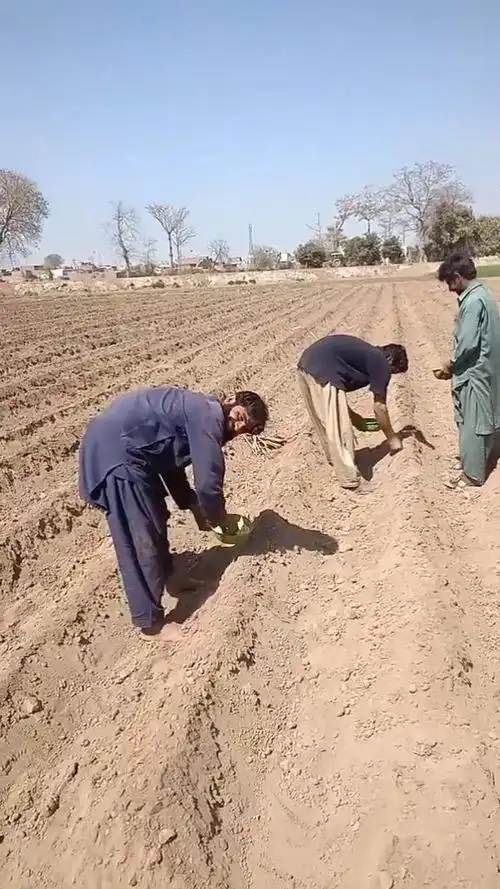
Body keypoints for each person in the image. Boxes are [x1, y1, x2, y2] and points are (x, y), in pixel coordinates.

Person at [78, 386, 268, 640]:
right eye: (239, 416)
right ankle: (150, 624)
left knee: (155, 517)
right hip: (115, 453)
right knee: (140, 535)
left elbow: (168, 459)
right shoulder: (208, 415)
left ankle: (172, 580)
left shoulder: (198, 413)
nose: (236, 426)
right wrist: (217, 519)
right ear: (231, 401)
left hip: (132, 451)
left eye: (243, 429)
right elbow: (208, 483)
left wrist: (191, 504)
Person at [297, 334, 408, 490]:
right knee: (341, 430)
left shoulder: (368, 354)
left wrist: (356, 419)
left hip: (306, 365)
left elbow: (335, 396)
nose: (389, 376)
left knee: (326, 422)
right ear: (390, 361)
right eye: (393, 371)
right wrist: (392, 438)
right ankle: (350, 481)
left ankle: (334, 459)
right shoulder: (381, 362)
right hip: (323, 368)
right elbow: (380, 408)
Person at [434, 250, 500, 489]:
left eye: (450, 283)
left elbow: (468, 344)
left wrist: (449, 365)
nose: (450, 288)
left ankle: (472, 474)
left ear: (458, 277)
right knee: (485, 415)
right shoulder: (484, 295)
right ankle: (476, 458)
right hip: (487, 367)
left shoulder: (472, 302)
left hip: (474, 371)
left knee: (473, 420)